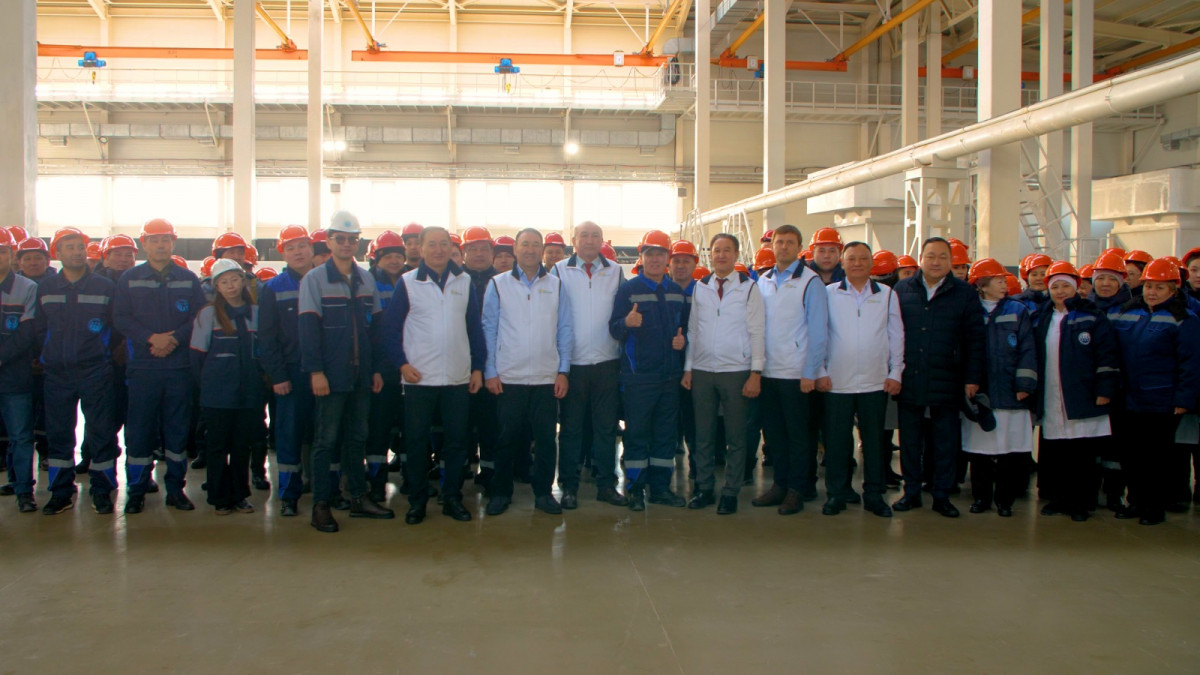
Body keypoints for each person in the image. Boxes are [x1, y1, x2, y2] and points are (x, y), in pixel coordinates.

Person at [384, 226, 486, 525]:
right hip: (419, 378)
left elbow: (474, 328)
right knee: (417, 442)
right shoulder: (408, 283)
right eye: (432, 244)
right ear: (420, 248)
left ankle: (452, 497)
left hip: (457, 378)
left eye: (444, 244)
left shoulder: (464, 281)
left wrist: (477, 367)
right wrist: (402, 364)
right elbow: (390, 330)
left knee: (456, 442)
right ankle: (417, 501)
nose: (439, 250)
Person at [299, 211, 393, 533]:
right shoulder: (314, 280)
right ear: (329, 241)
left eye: (353, 239)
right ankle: (321, 505)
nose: (346, 244)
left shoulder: (366, 279)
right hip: (331, 375)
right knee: (325, 441)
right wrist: (315, 371)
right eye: (340, 238)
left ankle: (357, 497)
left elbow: (375, 330)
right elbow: (308, 330)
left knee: (357, 437)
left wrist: (376, 370)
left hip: (361, 375)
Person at [113, 218, 207, 514]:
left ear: (173, 242)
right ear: (144, 244)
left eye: (165, 239)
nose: (160, 245)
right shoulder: (129, 278)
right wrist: (151, 338)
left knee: (177, 430)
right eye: (154, 240)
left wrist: (174, 338)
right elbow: (121, 317)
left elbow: (199, 316)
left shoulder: (188, 279)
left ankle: (176, 490)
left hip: (178, 368)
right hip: (143, 367)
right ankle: (137, 490)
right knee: (139, 431)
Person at [892, 237, 985, 518]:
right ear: (920, 258)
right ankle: (911, 492)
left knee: (946, 440)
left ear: (951, 261)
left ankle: (942, 495)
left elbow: (975, 339)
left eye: (943, 257)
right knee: (910, 439)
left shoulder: (964, 293)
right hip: (910, 376)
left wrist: (972, 377)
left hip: (948, 377)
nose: (936, 262)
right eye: (930, 256)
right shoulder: (902, 290)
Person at [481, 229, 572, 515]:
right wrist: (490, 371)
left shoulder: (556, 285)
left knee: (545, 440)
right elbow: (489, 329)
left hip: (546, 377)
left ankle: (543, 493)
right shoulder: (498, 284)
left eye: (535, 245)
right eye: (525, 245)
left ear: (542, 249)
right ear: (515, 249)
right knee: (506, 438)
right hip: (509, 376)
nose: (530, 250)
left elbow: (564, 329)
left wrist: (563, 370)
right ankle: (500, 492)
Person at [36, 228, 120, 515]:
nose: (76, 252)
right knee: (59, 434)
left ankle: (102, 489)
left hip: (95, 371)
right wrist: (47, 356)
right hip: (57, 374)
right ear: (57, 253)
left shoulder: (104, 287)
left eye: (80, 247)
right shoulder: (46, 287)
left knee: (101, 432)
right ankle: (61, 492)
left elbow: (116, 328)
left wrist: (103, 355)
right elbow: (39, 329)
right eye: (69, 247)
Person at [1110, 258, 1200, 526]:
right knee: (1131, 455)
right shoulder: (1129, 312)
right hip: (1128, 398)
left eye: (1160, 287)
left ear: (1173, 289)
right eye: (1149, 286)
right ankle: (1136, 501)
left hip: (1162, 401)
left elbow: (1191, 364)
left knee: (1156, 457)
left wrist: (1184, 399)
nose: (1152, 292)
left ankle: (1154, 507)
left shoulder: (1184, 319)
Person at [681, 232, 764, 515]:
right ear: (710, 255)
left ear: (736, 255)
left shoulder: (749, 288)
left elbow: (757, 331)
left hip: (736, 371)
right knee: (703, 434)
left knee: (736, 436)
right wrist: (688, 367)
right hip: (703, 370)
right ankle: (704, 487)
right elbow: (693, 330)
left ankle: (730, 491)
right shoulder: (700, 286)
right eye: (716, 250)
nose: (721, 255)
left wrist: (756, 371)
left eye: (727, 250)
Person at [819, 241, 904, 518]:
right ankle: (837, 493)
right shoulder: (828, 293)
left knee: (875, 442)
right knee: (837, 443)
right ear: (842, 263)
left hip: (875, 382)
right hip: (836, 382)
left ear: (871, 263)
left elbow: (896, 335)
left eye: (863, 258)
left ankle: (874, 495)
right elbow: (819, 334)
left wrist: (895, 372)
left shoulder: (887, 295)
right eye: (851, 258)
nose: (857, 263)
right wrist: (820, 371)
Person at [1033, 261, 1121, 522]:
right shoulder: (1042, 317)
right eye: (1055, 287)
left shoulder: (1092, 316)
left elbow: (1106, 354)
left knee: (1082, 452)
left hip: (1083, 393)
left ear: (1076, 288)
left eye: (1065, 286)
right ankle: (1059, 498)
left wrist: (1104, 389)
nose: (1060, 291)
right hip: (1052, 393)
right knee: (1057, 451)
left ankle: (1081, 502)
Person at [750, 224, 829, 515]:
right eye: (779, 242)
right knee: (774, 435)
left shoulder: (810, 282)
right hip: (769, 372)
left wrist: (810, 371)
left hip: (797, 374)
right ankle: (780, 485)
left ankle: (797, 489)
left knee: (798, 436)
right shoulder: (764, 280)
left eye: (789, 242)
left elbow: (818, 331)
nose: (783, 247)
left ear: (799, 247)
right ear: (771, 246)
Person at [609, 230, 689, 511]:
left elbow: (686, 330)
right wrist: (626, 323)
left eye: (660, 254)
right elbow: (614, 329)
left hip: (670, 378)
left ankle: (660, 489)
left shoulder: (677, 292)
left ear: (668, 258)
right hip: (639, 379)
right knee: (637, 435)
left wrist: (683, 342)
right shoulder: (628, 290)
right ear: (641, 258)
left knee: (665, 436)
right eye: (650, 254)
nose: (655, 259)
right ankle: (635, 490)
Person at [553, 221, 628, 507]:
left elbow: (622, 315)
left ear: (602, 240)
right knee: (571, 429)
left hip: (607, 363)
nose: (589, 240)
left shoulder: (615, 271)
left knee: (606, 428)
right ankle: (569, 486)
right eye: (583, 235)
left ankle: (606, 485)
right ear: (573, 240)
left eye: (595, 235)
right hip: (572, 364)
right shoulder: (559, 270)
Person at [962, 258, 1036, 518]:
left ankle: (1005, 500)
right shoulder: (970, 311)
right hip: (981, 395)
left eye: (1004, 281)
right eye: (998, 281)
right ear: (982, 285)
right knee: (980, 452)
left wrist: (1024, 384)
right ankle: (981, 498)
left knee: (1009, 451)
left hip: (1011, 394)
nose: (1004, 285)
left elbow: (1027, 349)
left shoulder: (1018, 311)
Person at [190, 259, 264, 515]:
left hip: (250, 393)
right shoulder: (207, 315)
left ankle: (240, 494)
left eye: (234, 279)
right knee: (217, 446)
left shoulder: (256, 313)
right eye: (224, 282)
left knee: (242, 446)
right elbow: (197, 357)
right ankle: (219, 496)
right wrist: (208, 388)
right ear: (216, 287)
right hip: (217, 395)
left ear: (243, 281)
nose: (230, 285)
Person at [259, 225, 316, 517]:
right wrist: (278, 375)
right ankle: (289, 495)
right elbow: (266, 337)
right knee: (289, 434)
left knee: (325, 433)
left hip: (324, 373)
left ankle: (328, 491)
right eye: (290, 248)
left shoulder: (326, 281)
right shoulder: (273, 288)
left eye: (302, 246)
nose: (298, 252)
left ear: (312, 248)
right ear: (283, 253)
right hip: (291, 374)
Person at [365, 231, 407, 503]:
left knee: (410, 427)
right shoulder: (368, 283)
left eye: (398, 256)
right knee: (378, 429)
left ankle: (410, 479)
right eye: (387, 256)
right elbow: (370, 333)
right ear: (376, 259)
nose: (394, 261)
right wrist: (375, 368)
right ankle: (377, 482)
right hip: (382, 369)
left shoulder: (411, 281)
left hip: (408, 368)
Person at [0, 229, 39, 513]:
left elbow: (27, 333)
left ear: (12, 255)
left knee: (21, 435)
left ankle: (24, 490)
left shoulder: (27, 288)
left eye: (2, 251)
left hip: (14, 375)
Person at [460, 226, 500, 487]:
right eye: (472, 249)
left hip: (493, 364)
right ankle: (459, 468)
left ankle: (489, 471)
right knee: (460, 422)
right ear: (464, 252)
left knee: (490, 422)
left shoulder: (502, 281)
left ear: (491, 252)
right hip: (460, 363)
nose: (478, 254)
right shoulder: (454, 281)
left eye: (483, 249)